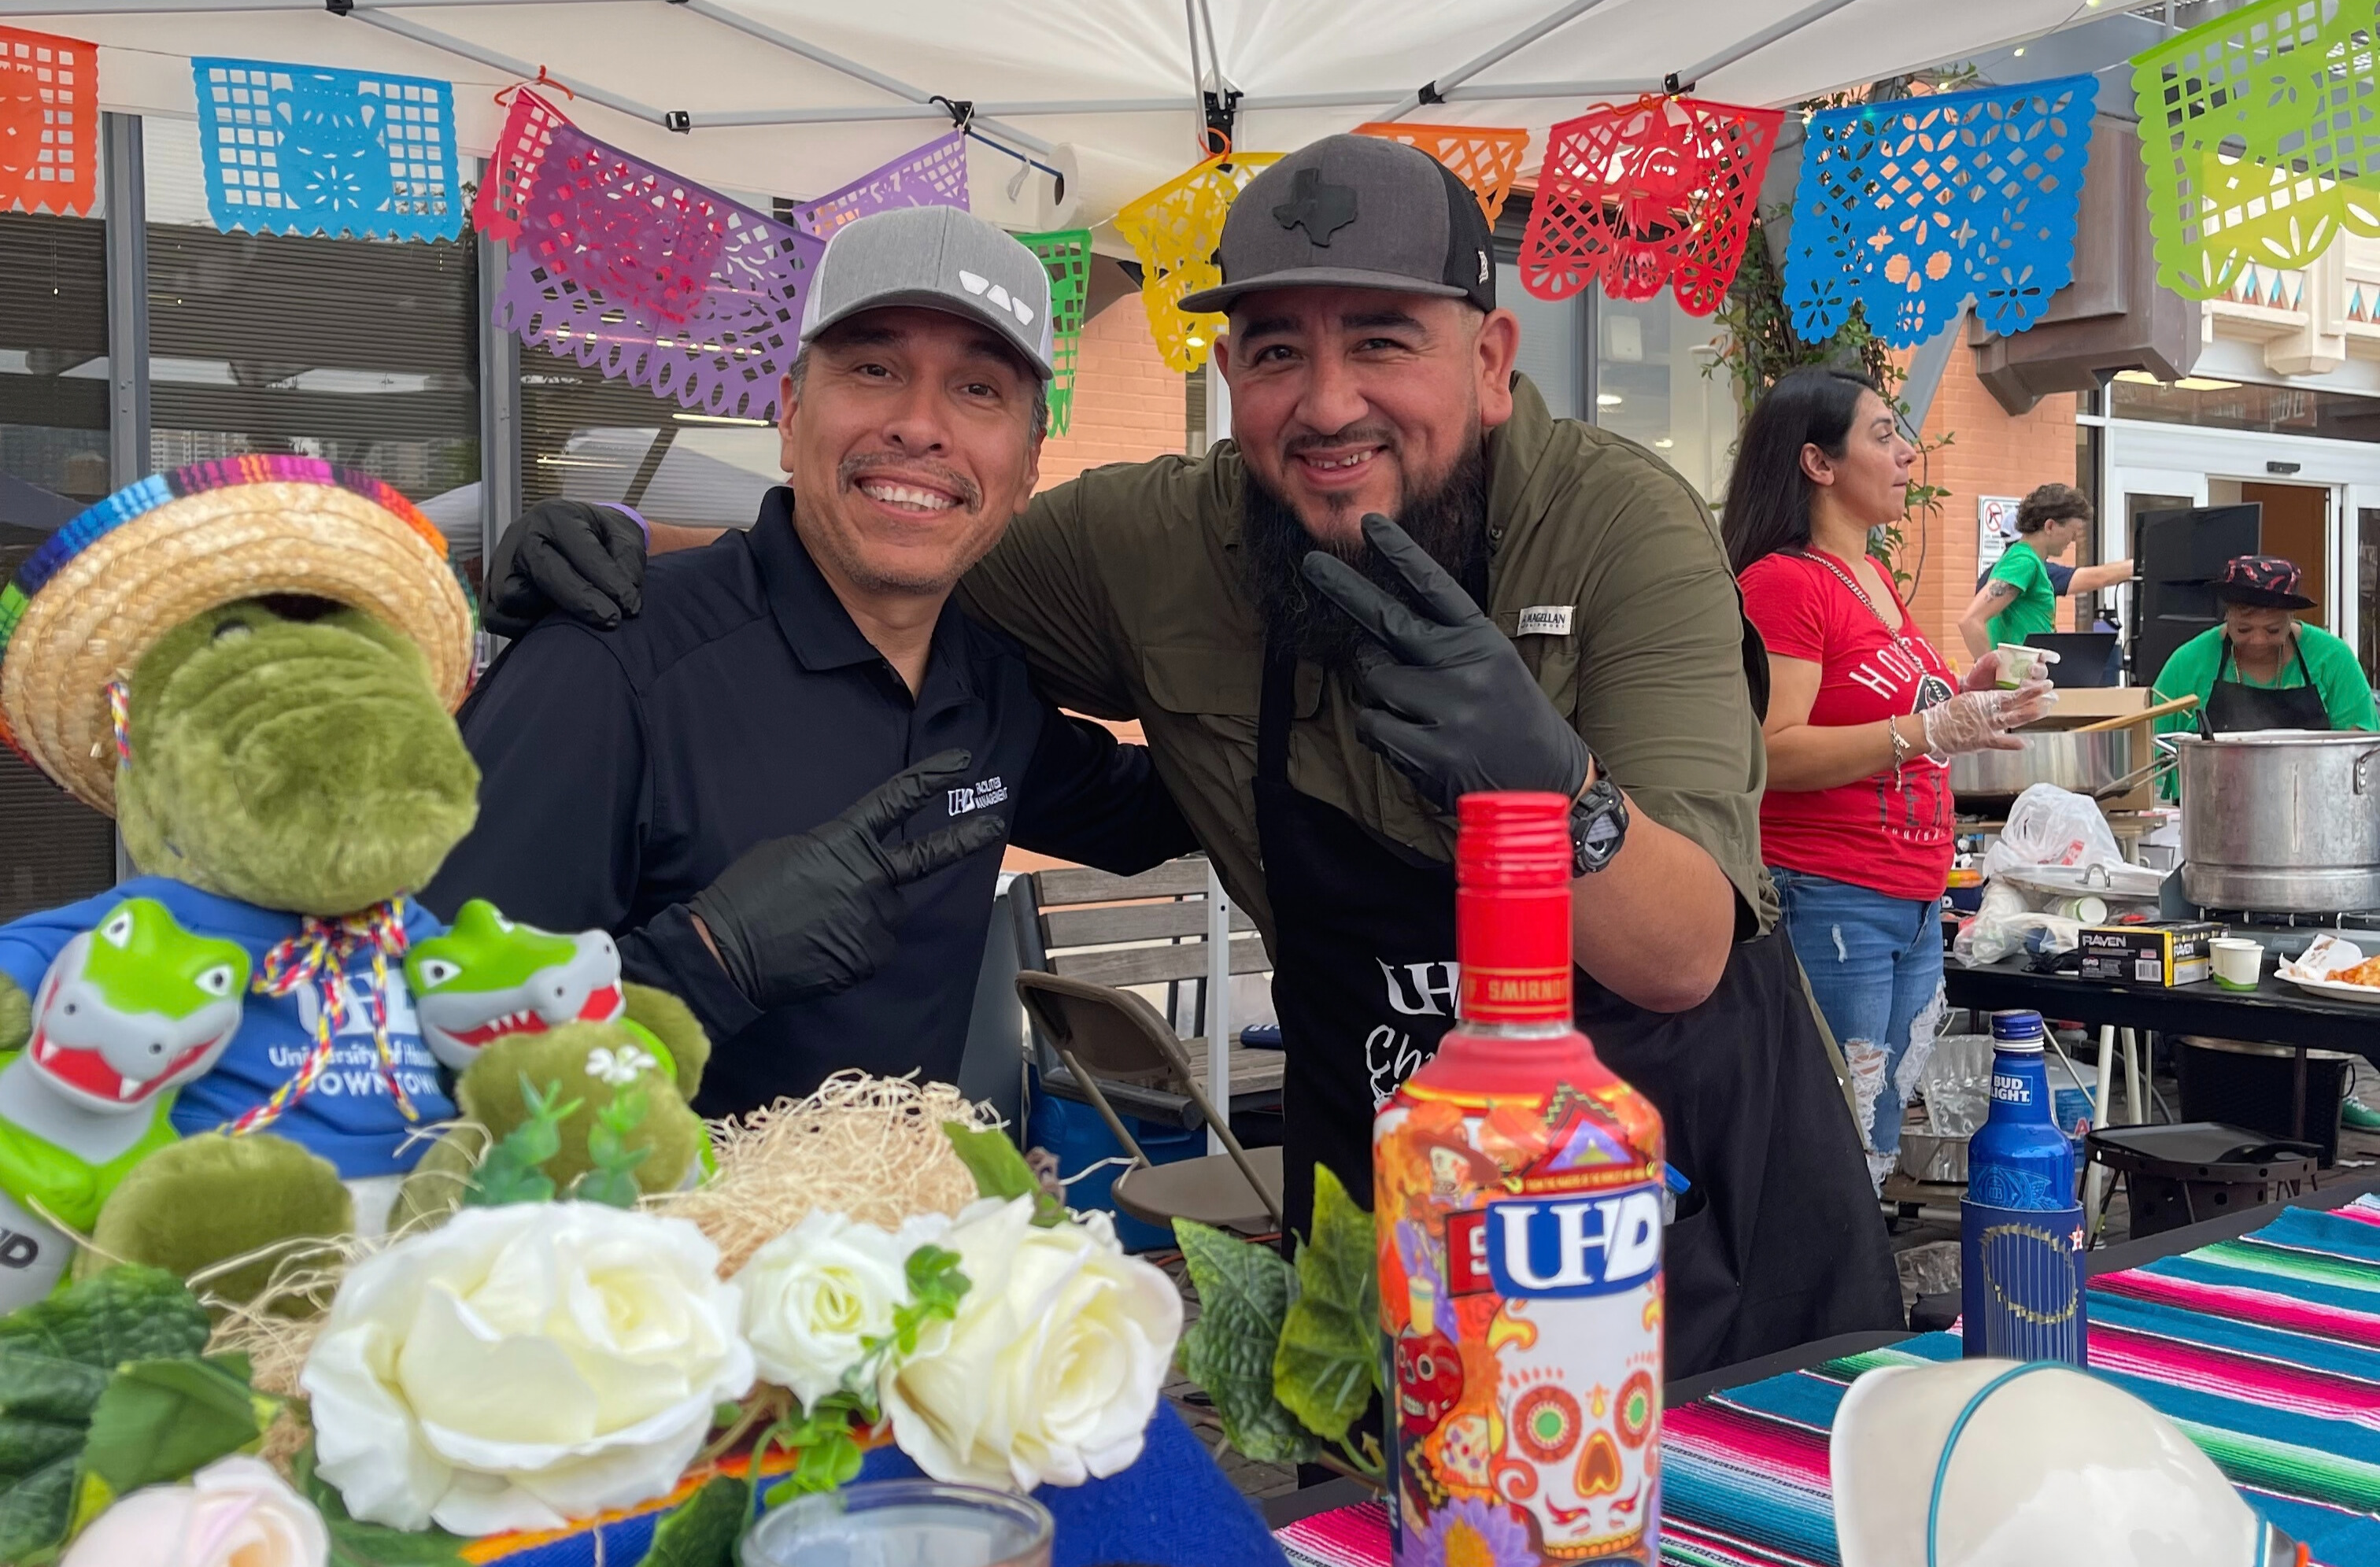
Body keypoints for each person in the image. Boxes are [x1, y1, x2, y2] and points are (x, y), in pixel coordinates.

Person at [488, 135, 1903, 1375]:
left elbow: (1680, 955)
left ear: (1486, 361)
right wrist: (597, 555)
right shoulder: (1157, 539)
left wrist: (1549, 791)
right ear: (1229, 374)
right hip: (1377, 1234)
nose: (1327, 400)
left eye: (1381, 340)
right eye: (1278, 349)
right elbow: (886, 542)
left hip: (1675, 1204)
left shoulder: (1616, 528)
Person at [421, 205, 1196, 1117]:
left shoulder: (986, 686)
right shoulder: (607, 669)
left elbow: (1166, 809)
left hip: (899, 1248)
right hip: (638, 1251)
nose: (919, 424)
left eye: (978, 389)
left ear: (1027, 469)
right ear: (790, 417)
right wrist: (709, 961)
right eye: (874, 369)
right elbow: (407, 1044)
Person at [1728, 369, 2056, 1190]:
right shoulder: (1784, 582)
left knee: (1872, 1137)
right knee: (1830, 1144)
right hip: (1829, 897)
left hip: (1911, 901)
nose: (1907, 453)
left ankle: (1849, 1301)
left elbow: (1896, 726)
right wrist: (1932, 726)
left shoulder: (1873, 579)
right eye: (1882, 435)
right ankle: (1821, 1314)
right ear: (1817, 461)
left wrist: (1970, 698)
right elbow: (1770, 751)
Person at [2149, 554, 2379, 741]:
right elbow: (2150, 743)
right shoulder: (2189, 663)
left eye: (2273, 631)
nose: (2258, 641)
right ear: (2227, 616)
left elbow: (2360, 748)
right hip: (2209, 797)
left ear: (2291, 619)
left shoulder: (2333, 659)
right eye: (2243, 630)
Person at [1957, 482, 2133, 660]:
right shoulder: (2023, 561)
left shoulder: (2030, 561)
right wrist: (1993, 674)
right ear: (2050, 526)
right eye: (2073, 532)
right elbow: (1970, 622)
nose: (2073, 540)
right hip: (2018, 683)